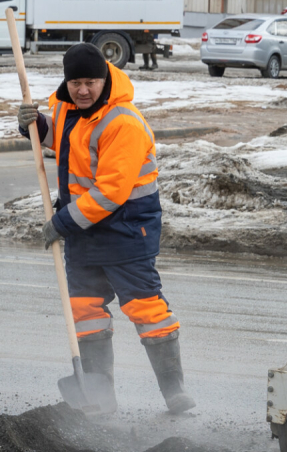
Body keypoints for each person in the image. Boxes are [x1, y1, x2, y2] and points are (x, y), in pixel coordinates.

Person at [16, 43, 194, 416]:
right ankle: (100, 397)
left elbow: (111, 191)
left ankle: (174, 391)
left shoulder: (123, 122)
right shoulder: (67, 108)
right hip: (86, 232)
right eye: (76, 82)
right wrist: (35, 126)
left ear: (105, 79)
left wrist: (61, 222)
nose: (83, 90)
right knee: (84, 309)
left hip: (126, 230)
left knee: (146, 310)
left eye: (90, 82)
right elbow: (64, 142)